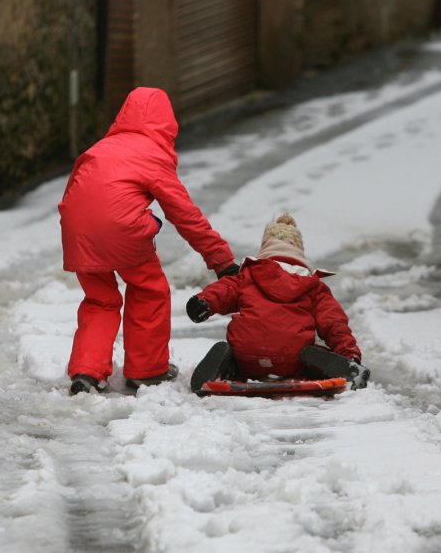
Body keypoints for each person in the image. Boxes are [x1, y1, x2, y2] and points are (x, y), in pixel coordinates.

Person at [59, 87, 239, 395]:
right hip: (121, 232)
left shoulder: (100, 148)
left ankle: (86, 373)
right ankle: (147, 370)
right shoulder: (151, 154)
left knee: (99, 301)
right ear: (166, 124)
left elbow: (76, 193)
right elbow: (185, 215)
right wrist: (221, 261)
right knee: (149, 290)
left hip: (77, 231)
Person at [185, 213, 369, 394]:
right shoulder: (313, 286)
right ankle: (324, 366)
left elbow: (223, 290)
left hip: (247, 353)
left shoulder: (246, 276)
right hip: (292, 356)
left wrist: (204, 302)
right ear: (298, 249)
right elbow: (334, 323)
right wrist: (349, 353)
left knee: (238, 352)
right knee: (310, 355)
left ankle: (227, 364)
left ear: (266, 246)